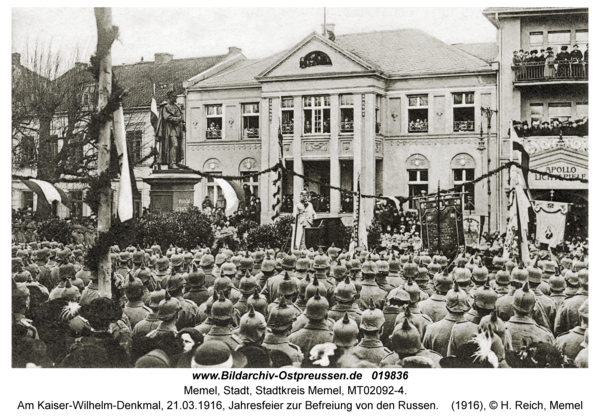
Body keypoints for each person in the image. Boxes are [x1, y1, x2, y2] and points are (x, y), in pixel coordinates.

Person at [158, 89, 186, 169]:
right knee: (175, 144)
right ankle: (172, 163)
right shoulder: (165, 106)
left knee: (178, 146)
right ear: (170, 97)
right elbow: (167, 117)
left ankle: (175, 162)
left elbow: (181, 116)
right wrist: (177, 119)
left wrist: (183, 123)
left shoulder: (176, 106)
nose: (176, 98)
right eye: (174, 97)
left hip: (178, 129)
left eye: (176, 97)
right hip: (170, 129)